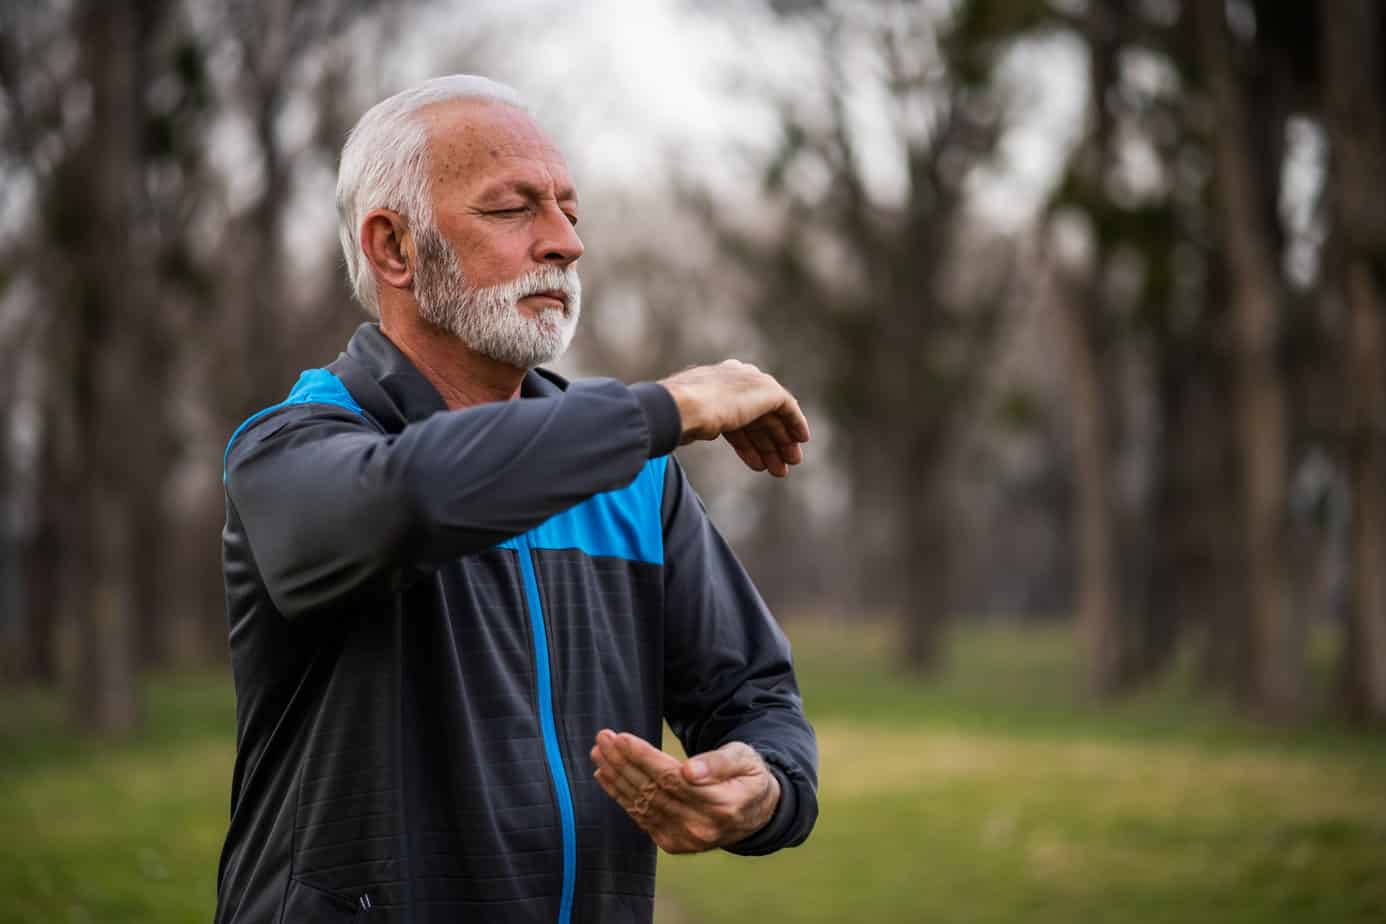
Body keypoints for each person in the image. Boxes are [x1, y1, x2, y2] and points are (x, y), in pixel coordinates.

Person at [214, 74, 818, 924]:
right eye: (512, 209)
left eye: (570, 212)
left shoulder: (636, 477)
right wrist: (664, 408)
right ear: (394, 248)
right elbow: (414, 498)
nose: (566, 243)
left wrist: (765, 788)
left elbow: (754, 695)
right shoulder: (288, 452)